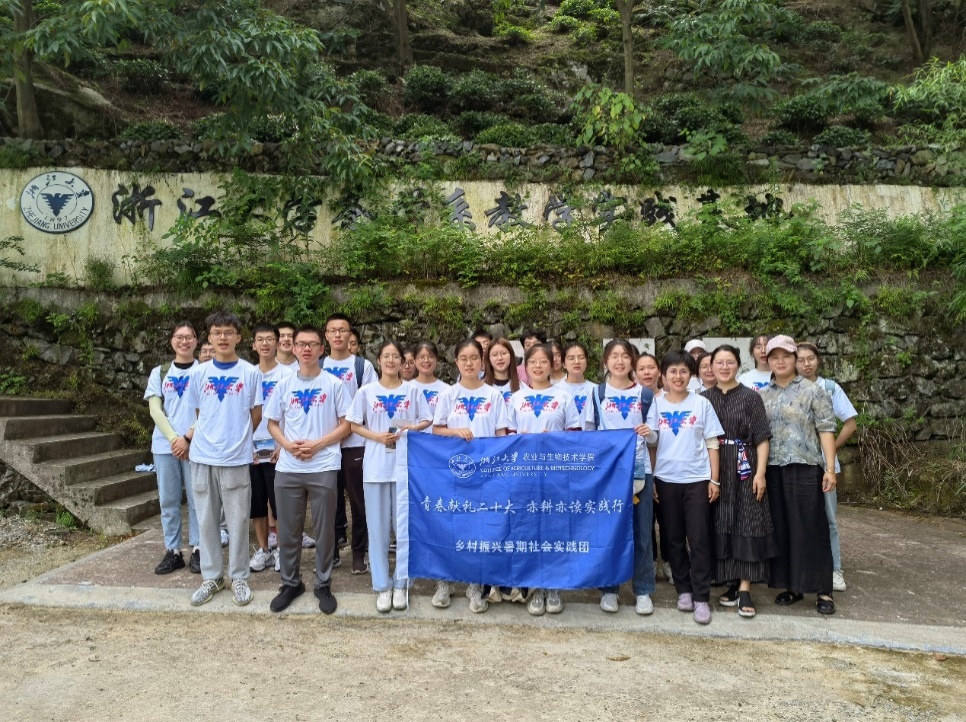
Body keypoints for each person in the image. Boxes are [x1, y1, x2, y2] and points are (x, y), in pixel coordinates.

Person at [265, 325, 351, 614]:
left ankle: (323, 584)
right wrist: (288, 446)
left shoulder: (334, 384)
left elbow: (346, 424)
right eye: (301, 344)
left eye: (312, 344)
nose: (306, 349)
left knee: (325, 529)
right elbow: (272, 423)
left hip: (324, 464)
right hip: (289, 466)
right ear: (293, 348)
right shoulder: (283, 385)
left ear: (321, 349)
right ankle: (291, 583)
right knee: (289, 529)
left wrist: (317, 444)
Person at [347, 341, 432, 613]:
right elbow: (353, 424)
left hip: (404, 467)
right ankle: (382, 585)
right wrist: (378, 436)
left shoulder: (413, 390)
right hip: (375, 467)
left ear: (403, 361)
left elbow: (427, 419)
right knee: (378, 529)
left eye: (397, 356)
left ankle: (402, 583)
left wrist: (409, 429)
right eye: (387, 356)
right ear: (379, 360)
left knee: (404, 529)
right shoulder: (366, 392)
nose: (392, 361)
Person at [185, 311, 263, 607]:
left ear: (239, 337)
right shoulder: (198, 374)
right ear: (209, 337)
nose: (222, 337)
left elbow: (255, 412)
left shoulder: (250, 373)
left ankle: (239, 576)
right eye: (217, 332)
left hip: (236, 458)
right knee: (206, 521)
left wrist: (239, 439)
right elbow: (199, 413)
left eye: (228, 332)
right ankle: (212, 577)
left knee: (238, 520)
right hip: (203, 457)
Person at [759, 335, 838, 616]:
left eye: (786, 356)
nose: (780, 361)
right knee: (782, 528)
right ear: (767, 360)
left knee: (811, 528)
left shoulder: (812, 390)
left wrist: (830, 468)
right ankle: (792, 586)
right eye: (774, 356)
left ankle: (823, 590)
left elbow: (826, 428)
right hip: (773, 468)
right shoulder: (762, 394)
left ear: (795, 358)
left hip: (805, 466)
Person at [432, 339, 509, 613]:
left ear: (481, 361)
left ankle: (475, 586)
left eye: (474, 358)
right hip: (455, 472)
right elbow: (437, 430)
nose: (469, 363)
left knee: (480, 530)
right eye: (463, 358)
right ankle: (445, 582)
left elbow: (501, 436)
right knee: (451, 526)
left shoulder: (494, 395)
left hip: (486, 475)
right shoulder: (448, 395)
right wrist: (457, 431)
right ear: (456, 362)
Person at [507, 343, 582, 616]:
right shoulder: (515, 398)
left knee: (554, 530)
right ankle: (535, 586)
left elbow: (575, 435)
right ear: (525, 367)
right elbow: (507, 438)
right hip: (524, 476)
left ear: (553, 365)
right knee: (528, 530)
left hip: (556, 476)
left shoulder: (564, 397)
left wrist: (556, 440)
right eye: (532, 362)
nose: (538, 366)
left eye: (543, 362)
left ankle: (554, 587)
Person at [703, 345, 776, 619]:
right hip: (715, 467)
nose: (724, 367)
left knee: (747, 521)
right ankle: (731, 581)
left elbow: (762, 437)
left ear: (738, 364)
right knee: (722, 522)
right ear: (710, 366)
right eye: (719, 362)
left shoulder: (750, 397)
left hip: (745, 468)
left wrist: (760, 474)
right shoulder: (703, 398)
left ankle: (746, 587)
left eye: (730, 362)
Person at [653, 350, 724, 625]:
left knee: (699, 538)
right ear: (664, 376)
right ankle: (683, 590)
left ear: (691, 374)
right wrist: (653, 479)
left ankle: (701, 596)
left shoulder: (701, 404)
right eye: (673, 372)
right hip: (666, 480)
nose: (678, 376)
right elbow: (652, 445)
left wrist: (714, 479)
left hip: (697, 480)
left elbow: (712, 443)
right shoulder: (656, 405)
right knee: (672, 538)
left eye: (683, 371)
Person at [592, 339, 659, 616]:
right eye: (614, 356)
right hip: (608, 474)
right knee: (610, 531)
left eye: (624, 356)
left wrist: (648, 433)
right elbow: (589, 433)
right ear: (605, 362)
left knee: (643, 533)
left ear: (632, 361)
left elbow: (655, 436)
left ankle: (643, 590)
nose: (619, 361)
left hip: (640, 471)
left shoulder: (644, 395)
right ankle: (610, 589)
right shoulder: (597, 394)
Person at [796, 342, 858, 593]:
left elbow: (850, 423)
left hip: (824, 465)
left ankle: (835, 569)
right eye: (801, 359)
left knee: (829, 519)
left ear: (818, 360)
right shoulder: (787, 389)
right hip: (797, 463)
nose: (806, 363)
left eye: (811, 358)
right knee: (799, 519)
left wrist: (830, 447)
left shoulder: (829, 388)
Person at [144, 321, 201, 575]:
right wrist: (174, 439)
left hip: (197, 446)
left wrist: (187, 439)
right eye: (179, 337)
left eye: (189, 337)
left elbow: (208, 409)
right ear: (172, 341)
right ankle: (173, 550)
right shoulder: (160, 372)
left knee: (198, 499)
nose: (184, 341)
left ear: (197, 341)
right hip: (165, 446)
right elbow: (155, 409)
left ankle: (199, 548)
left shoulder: (204, 371)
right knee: (169, 500)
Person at [323, 313, 377, 574]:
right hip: (325, 444)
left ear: (349, 334)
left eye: (342, 330)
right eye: (332, 330)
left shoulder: (362, 366)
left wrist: (347, 427)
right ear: (326, 335)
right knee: (328, 502)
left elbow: (368, 403)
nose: (337, 335)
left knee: (358, 502)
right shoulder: (318, 365)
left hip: (355, 443)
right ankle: (330, 551)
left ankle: (358, 552)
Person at [248, 324, 294, 574]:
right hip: (251, 451)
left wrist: (283, 445)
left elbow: (292, 414)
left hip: (279, 450)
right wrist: (246, 446)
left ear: (277, 343)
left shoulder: (288, 375)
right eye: (260, 340)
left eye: (269, 339)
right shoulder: (248, 373)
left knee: (280, 505)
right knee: (257, 504)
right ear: (253, 345)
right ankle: (264, 550)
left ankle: (281, 551)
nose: (265, 344)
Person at [636, 352, 671, 584]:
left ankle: (669, 562)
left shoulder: (671, 398)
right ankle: (649, 563)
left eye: (651, 367)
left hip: (669, 469)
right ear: (635, 372)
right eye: (642, 368)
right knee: (645, 522)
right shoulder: (636, 400)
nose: (647, 372)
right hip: (645, 469)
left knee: (668, 521)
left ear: (659, 371)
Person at [411, 341, 450, 427]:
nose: (426, 360)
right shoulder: (407, 388)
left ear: (437, 360)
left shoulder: (447, 389)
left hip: (438, 438)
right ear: (414, 361)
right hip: (413, 438)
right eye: (422, 357)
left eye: (431, 357)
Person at [559, 341, 596, 430]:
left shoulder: (596, 390)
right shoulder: (556, 390)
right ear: (564, 364)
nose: (577, 361)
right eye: (571, 358)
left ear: (586, 362)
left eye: (581, 357)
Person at [485, 338, 526, 411]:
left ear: (511, 356)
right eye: (495, 355)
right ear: (489, 359)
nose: (500, 358)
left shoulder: (522, 388)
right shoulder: (482, 388)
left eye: (504, 353)